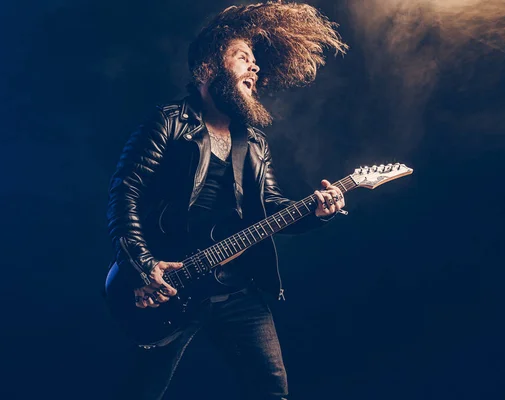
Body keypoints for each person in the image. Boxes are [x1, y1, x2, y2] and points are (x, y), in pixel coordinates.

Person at [106, 3, 348, 399]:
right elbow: (125, 192)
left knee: (272, 390)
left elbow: (271, 206)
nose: (255, 69)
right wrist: (141, 266)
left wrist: (318, 212)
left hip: (236, 289)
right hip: (170, 286)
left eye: (255, 63)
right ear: (207, 68)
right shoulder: (168, 122)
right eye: (242, 58)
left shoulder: (254, 142)